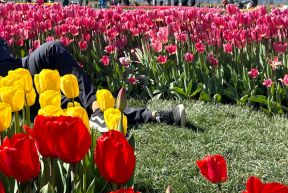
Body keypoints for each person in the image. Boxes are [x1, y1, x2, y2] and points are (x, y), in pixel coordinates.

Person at [0, 39, 186, 132]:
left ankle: (97, 111)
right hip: (7, 88)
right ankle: (153, 116)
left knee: (53, 49)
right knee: (71, 103)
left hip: (21, 67)